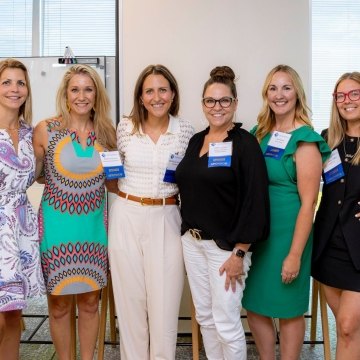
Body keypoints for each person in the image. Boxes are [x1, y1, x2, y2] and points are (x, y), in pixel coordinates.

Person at [175, 66, 270, 360]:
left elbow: (255, 200)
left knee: (227, 323)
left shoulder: (245, 144)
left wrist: (240, 253)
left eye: (224, 101)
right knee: (205, 318)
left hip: (226, 249)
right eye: (210, 101)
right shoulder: (196, 141)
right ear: (203, 104)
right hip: (192, 243)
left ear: (235, 103)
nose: (217, 107)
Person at [242, 64, 331, 360]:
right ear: (266, 94)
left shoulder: (305, 140)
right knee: (254, 303)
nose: (279, 95)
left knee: (289, 307)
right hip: (260, 234)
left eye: (286, 87)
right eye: (273, 88)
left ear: (297, 94)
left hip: (291, 231)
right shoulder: (259, 133)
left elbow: (309, 203)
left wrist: (294, 254)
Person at [108, 64, 194, 360]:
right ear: (140, 97)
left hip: (167, 217)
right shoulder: (124, 128)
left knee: (164, 308)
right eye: (149, 91)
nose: (156, 97)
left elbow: (190, 182)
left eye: (162, 90)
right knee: (131, 306)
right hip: (127, 215)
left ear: (172, 94)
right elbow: (112, 173)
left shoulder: (184, 131)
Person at [33, 64, 116, 360]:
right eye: (75, 89)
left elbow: (114, 181)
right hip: (56, 227)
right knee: (59, 305)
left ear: (96, 94)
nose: (82, 96)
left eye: (88, 89)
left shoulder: (107, 133)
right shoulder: (46, 129)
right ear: (66, 94)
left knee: (91, 302)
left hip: (93, 228)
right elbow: (37, 174)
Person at [312, 72, 360, 360]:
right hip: (329, 246)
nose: (347, 101)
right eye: (340, 95)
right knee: (349, 331)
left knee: (346, 325)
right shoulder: (326, 140)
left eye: (354, 93)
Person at [0, 58, 45, 359]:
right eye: (6, 82)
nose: (14, 89)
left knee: (13, 313)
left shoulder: (31, 134)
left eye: (20, 82)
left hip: (21, 229)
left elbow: (44, 175)